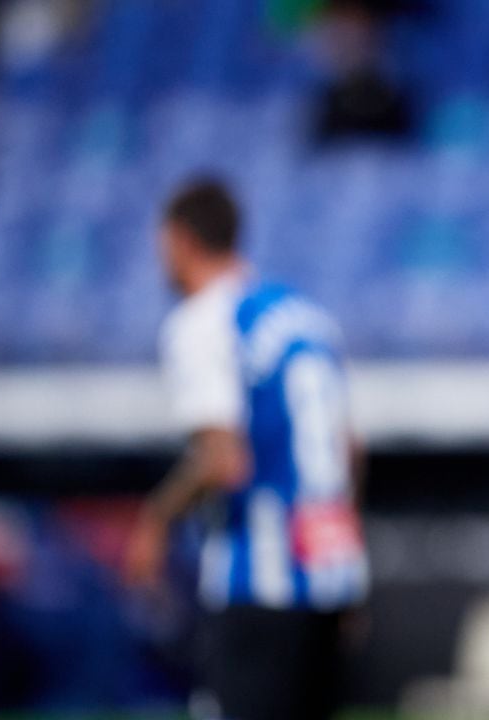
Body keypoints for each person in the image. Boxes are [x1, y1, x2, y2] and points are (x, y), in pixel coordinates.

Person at [124, 178, 369, 720]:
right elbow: (349, 450)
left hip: (257, 583)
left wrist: (156, 520)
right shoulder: (307, 317)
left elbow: (223, 459)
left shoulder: (202, 321)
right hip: (329, 575)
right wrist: (350, 565)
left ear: (181, 240)